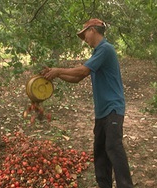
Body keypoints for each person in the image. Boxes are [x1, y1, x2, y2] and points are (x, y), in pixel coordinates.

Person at [41, 18, 133, 188]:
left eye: (85, 35)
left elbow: (82, 70)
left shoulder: (106, 49)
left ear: (92, 30)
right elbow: (78, 78)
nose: (85, 39)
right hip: (102, 111)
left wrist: (58, 70)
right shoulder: (97, 53)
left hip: (113, 108)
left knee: (113, 147)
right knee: (100, 151)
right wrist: (56, 75)